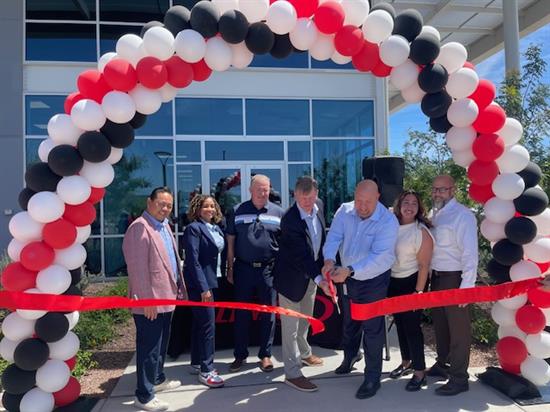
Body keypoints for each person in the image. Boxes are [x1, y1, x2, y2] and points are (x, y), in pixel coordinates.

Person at [322, 180, 399, 400]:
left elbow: (380, 257)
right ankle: (351, 356)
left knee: (372, 329)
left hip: (373, 280)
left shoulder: (387, 221)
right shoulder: (345, 211)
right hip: (347, 277)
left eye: (368, 202)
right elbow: (334, 237)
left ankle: (372, 378)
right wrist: (329, 259)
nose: (362, 207)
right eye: (358, 201)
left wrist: (350, 270)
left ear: (378, 198)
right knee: (349, 321)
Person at [122, 187, 185, 412]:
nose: (165, 209)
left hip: (166, 297)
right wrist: (146, 300)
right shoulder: (140, 227)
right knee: (149, 348)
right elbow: (137, 268)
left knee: (160, 345)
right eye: (161, 204)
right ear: (149, 202)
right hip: (150, 301)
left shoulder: (164, 225)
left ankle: (157, 379)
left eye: (169, 205)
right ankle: (144, 395)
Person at [273, 176, 332, 392]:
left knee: (306, 319)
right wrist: (320, 279)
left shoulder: (320, 206)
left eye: (311, 197)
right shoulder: (289, 220)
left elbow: (320, 243)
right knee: (290, 328)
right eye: (303, 198)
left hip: (311, 277)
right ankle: (293, 373)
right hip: (290, 280)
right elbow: (301, 256)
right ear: (295, 195)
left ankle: (305, 353)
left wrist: (326, 266)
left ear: (317, 194)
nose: (308, 202)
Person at [226, 174, 284, 373]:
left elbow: (284, 244)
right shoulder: (237, 211)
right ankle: (240, 355)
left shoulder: (279, 212)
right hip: (243, 269)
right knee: (241, 313)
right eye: (258, 189)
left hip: (269, 270)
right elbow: (230, 241)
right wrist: (230, 268)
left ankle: (265, 355)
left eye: (265, 189)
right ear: (250, 190)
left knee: (268, 314)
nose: (262, 192)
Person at [427, 175, 478, 396]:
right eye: (434, 189)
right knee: (441, 326)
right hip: (437, 278)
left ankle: (459, 378)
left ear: (453, 190)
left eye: (442, 189)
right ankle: (443, 365)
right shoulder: (434, 214)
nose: (437, 193)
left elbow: (470, 254)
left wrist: (466, 288)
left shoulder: (463, 216)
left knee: (459, 331)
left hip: (454, 279)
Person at [388, 190, 433, 391]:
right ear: (399, 205)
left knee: (412, 328)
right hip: (393, 282)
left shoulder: (421, 232)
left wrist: (418, 293)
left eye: (414, 203)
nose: (409, 206)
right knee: (400, 324)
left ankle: (420, 372)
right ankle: (406, 362)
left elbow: (424, 265)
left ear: (419, 208)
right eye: (406, 202)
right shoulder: (391, 225)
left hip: (413, 282)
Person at [183, 195, 225, 388]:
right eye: (206, 206)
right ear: (197, 209)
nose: (210, 209)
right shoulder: (194, 229)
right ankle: (207, 370)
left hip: (214, 280)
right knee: (208, 326)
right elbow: (193, 261)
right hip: (201, 285)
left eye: (212, 206)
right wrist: (203, 288)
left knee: (200, 324)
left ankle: (196, 362)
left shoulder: (216, 228)